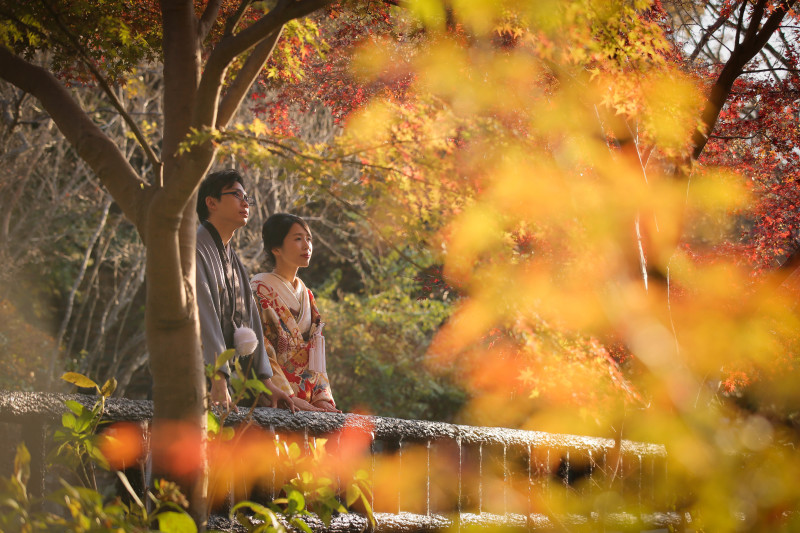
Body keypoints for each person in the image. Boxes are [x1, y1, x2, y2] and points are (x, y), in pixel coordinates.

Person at [195, 169, 295, 412]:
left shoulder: (234, 260)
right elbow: (203, 315)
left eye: (247, 198)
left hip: (225, 380)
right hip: (196, 377)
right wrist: (217, 375)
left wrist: (265, 382)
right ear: (211, 202)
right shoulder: (195, 248)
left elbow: (250, 322)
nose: (245, 203)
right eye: (236, 195)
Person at [250, 213, 339, 413]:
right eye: (298, 239)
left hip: (308, 401)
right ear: (276, 248)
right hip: (276, 397)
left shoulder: (307, 295)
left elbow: (316, 352)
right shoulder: (258, 289)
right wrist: (287, 395)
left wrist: (321, 398)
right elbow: (260, 349)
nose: (307, 245)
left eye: (309, 239)